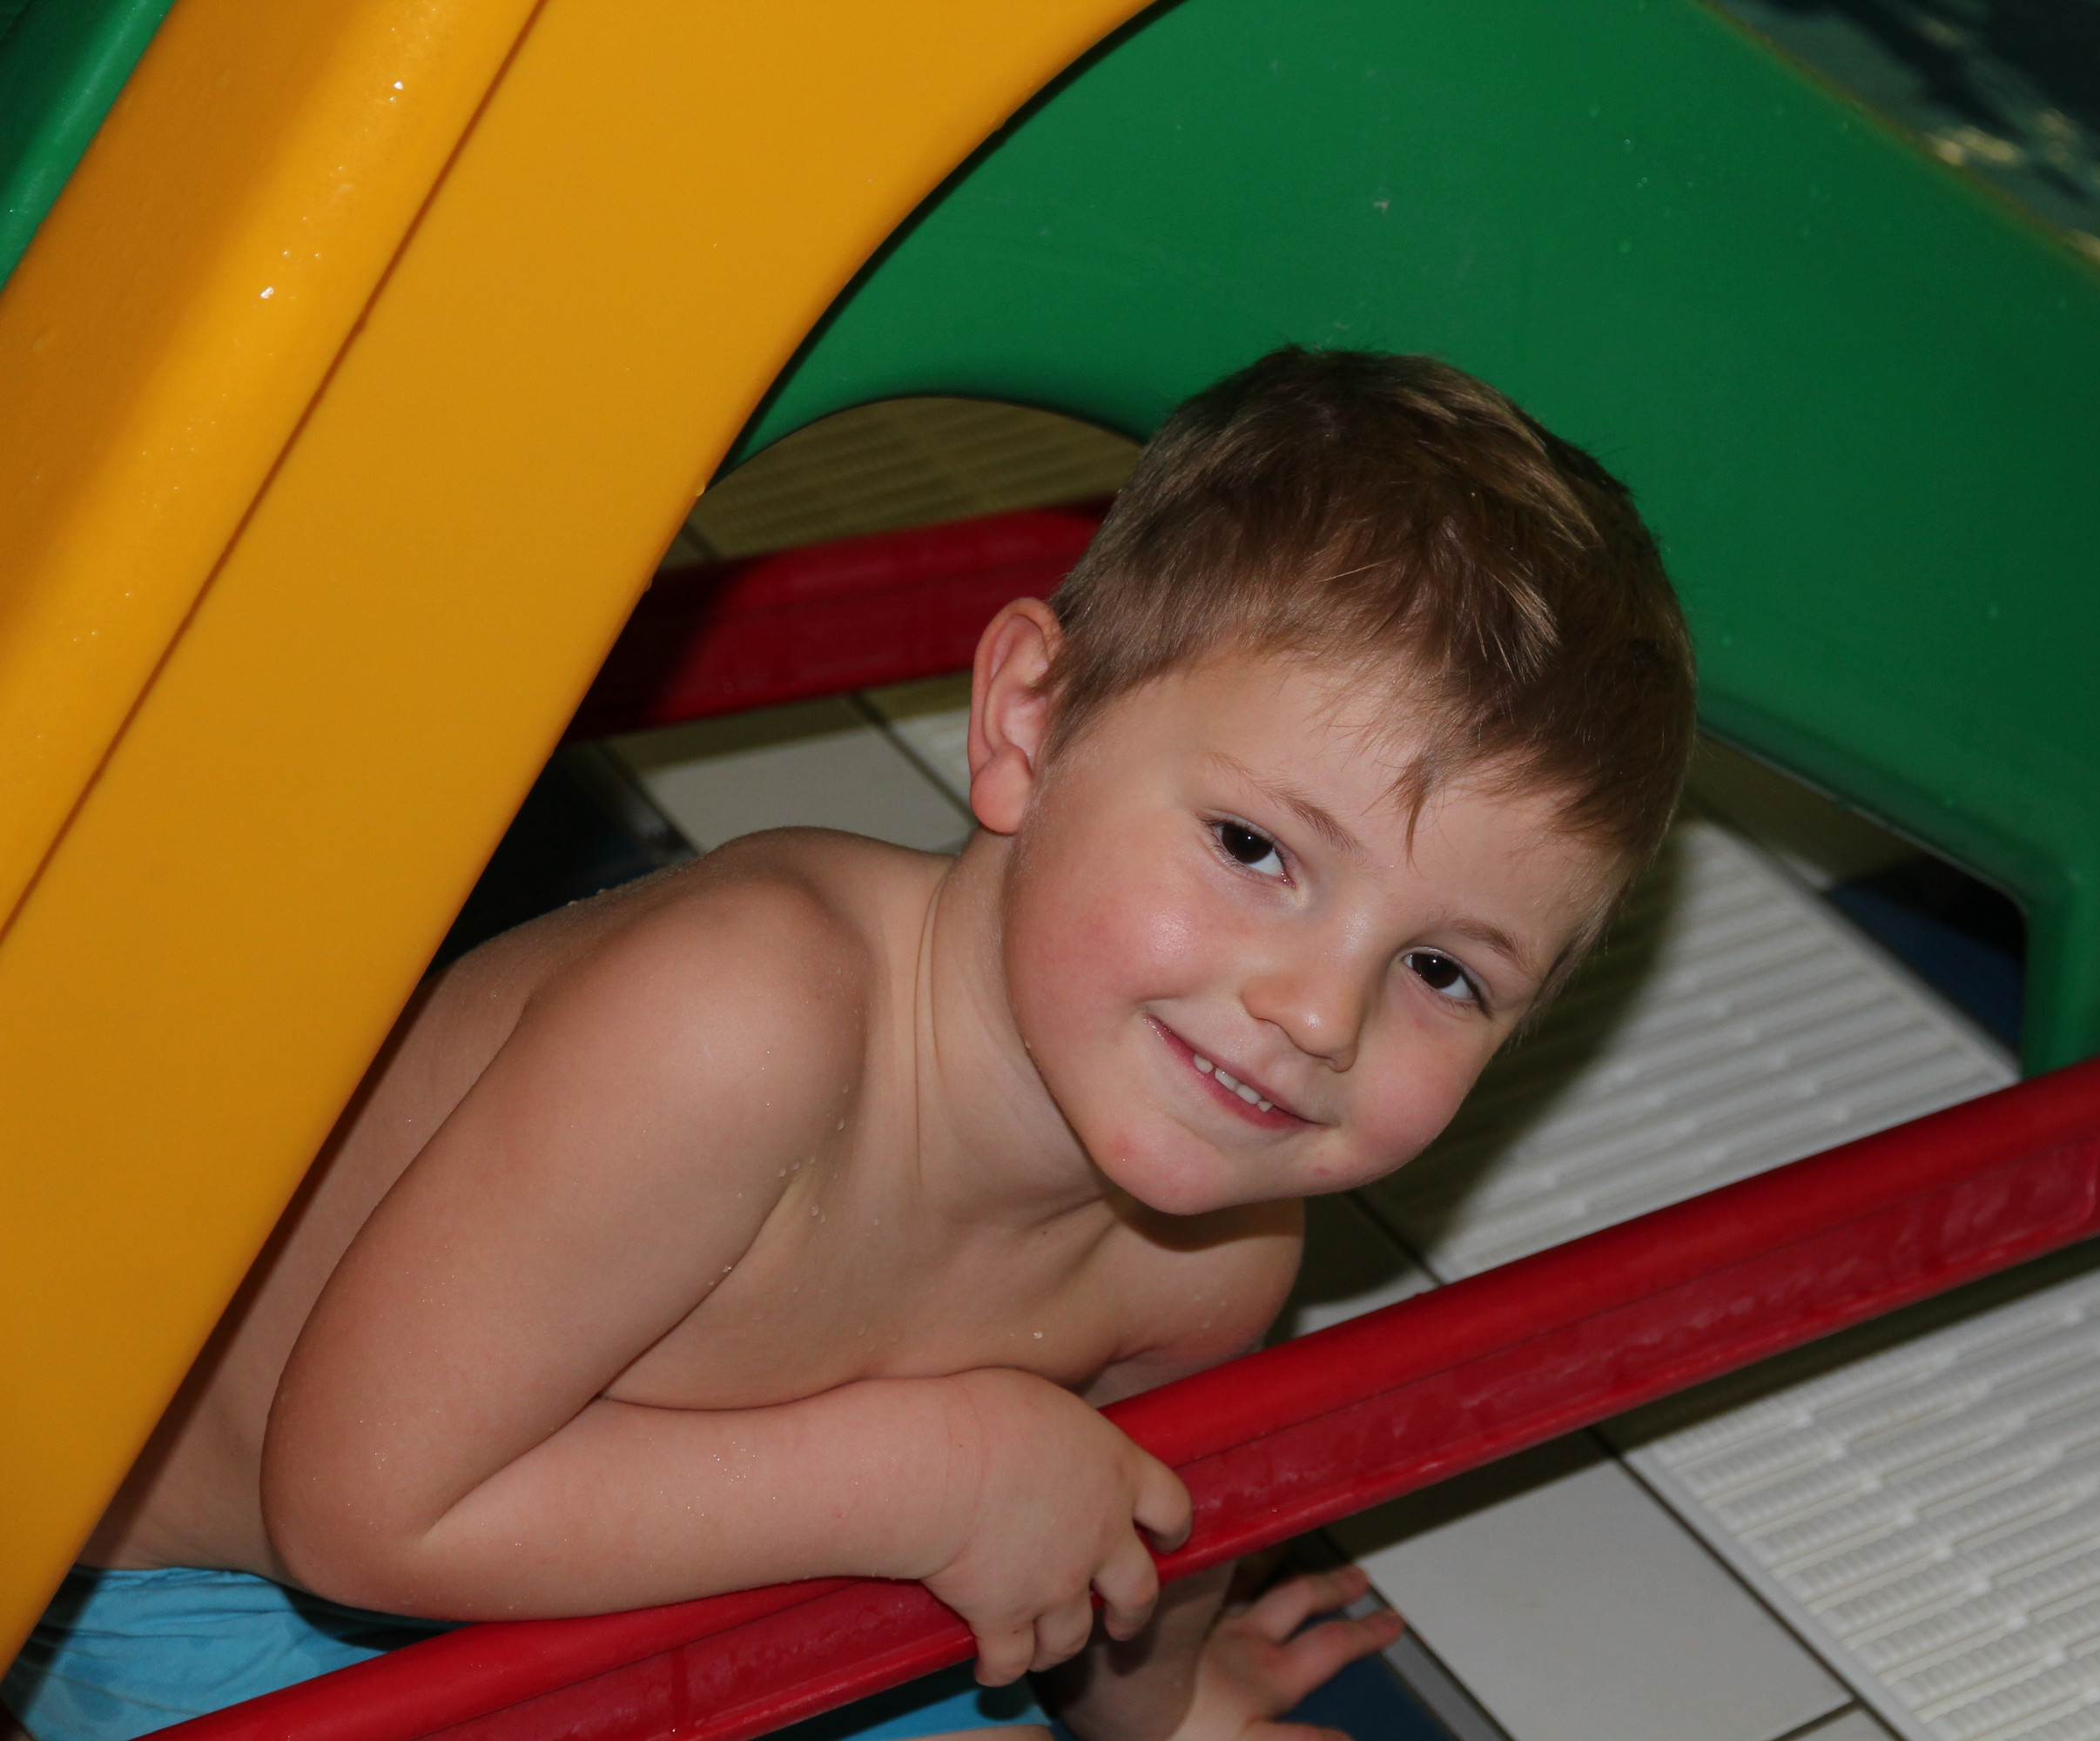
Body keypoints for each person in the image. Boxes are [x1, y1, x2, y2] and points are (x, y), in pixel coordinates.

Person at [5, 348, 1695, 1741]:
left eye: (1443, 972)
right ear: (1028, 720)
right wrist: (941, 1475)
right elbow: (361, 1511)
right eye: (1256, 849)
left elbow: (1124, 1544)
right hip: (228, 1598)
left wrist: (1166, 1713)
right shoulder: (742, 1020)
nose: (1319, 1014)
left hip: (713, 1567)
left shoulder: (1214, 1259)